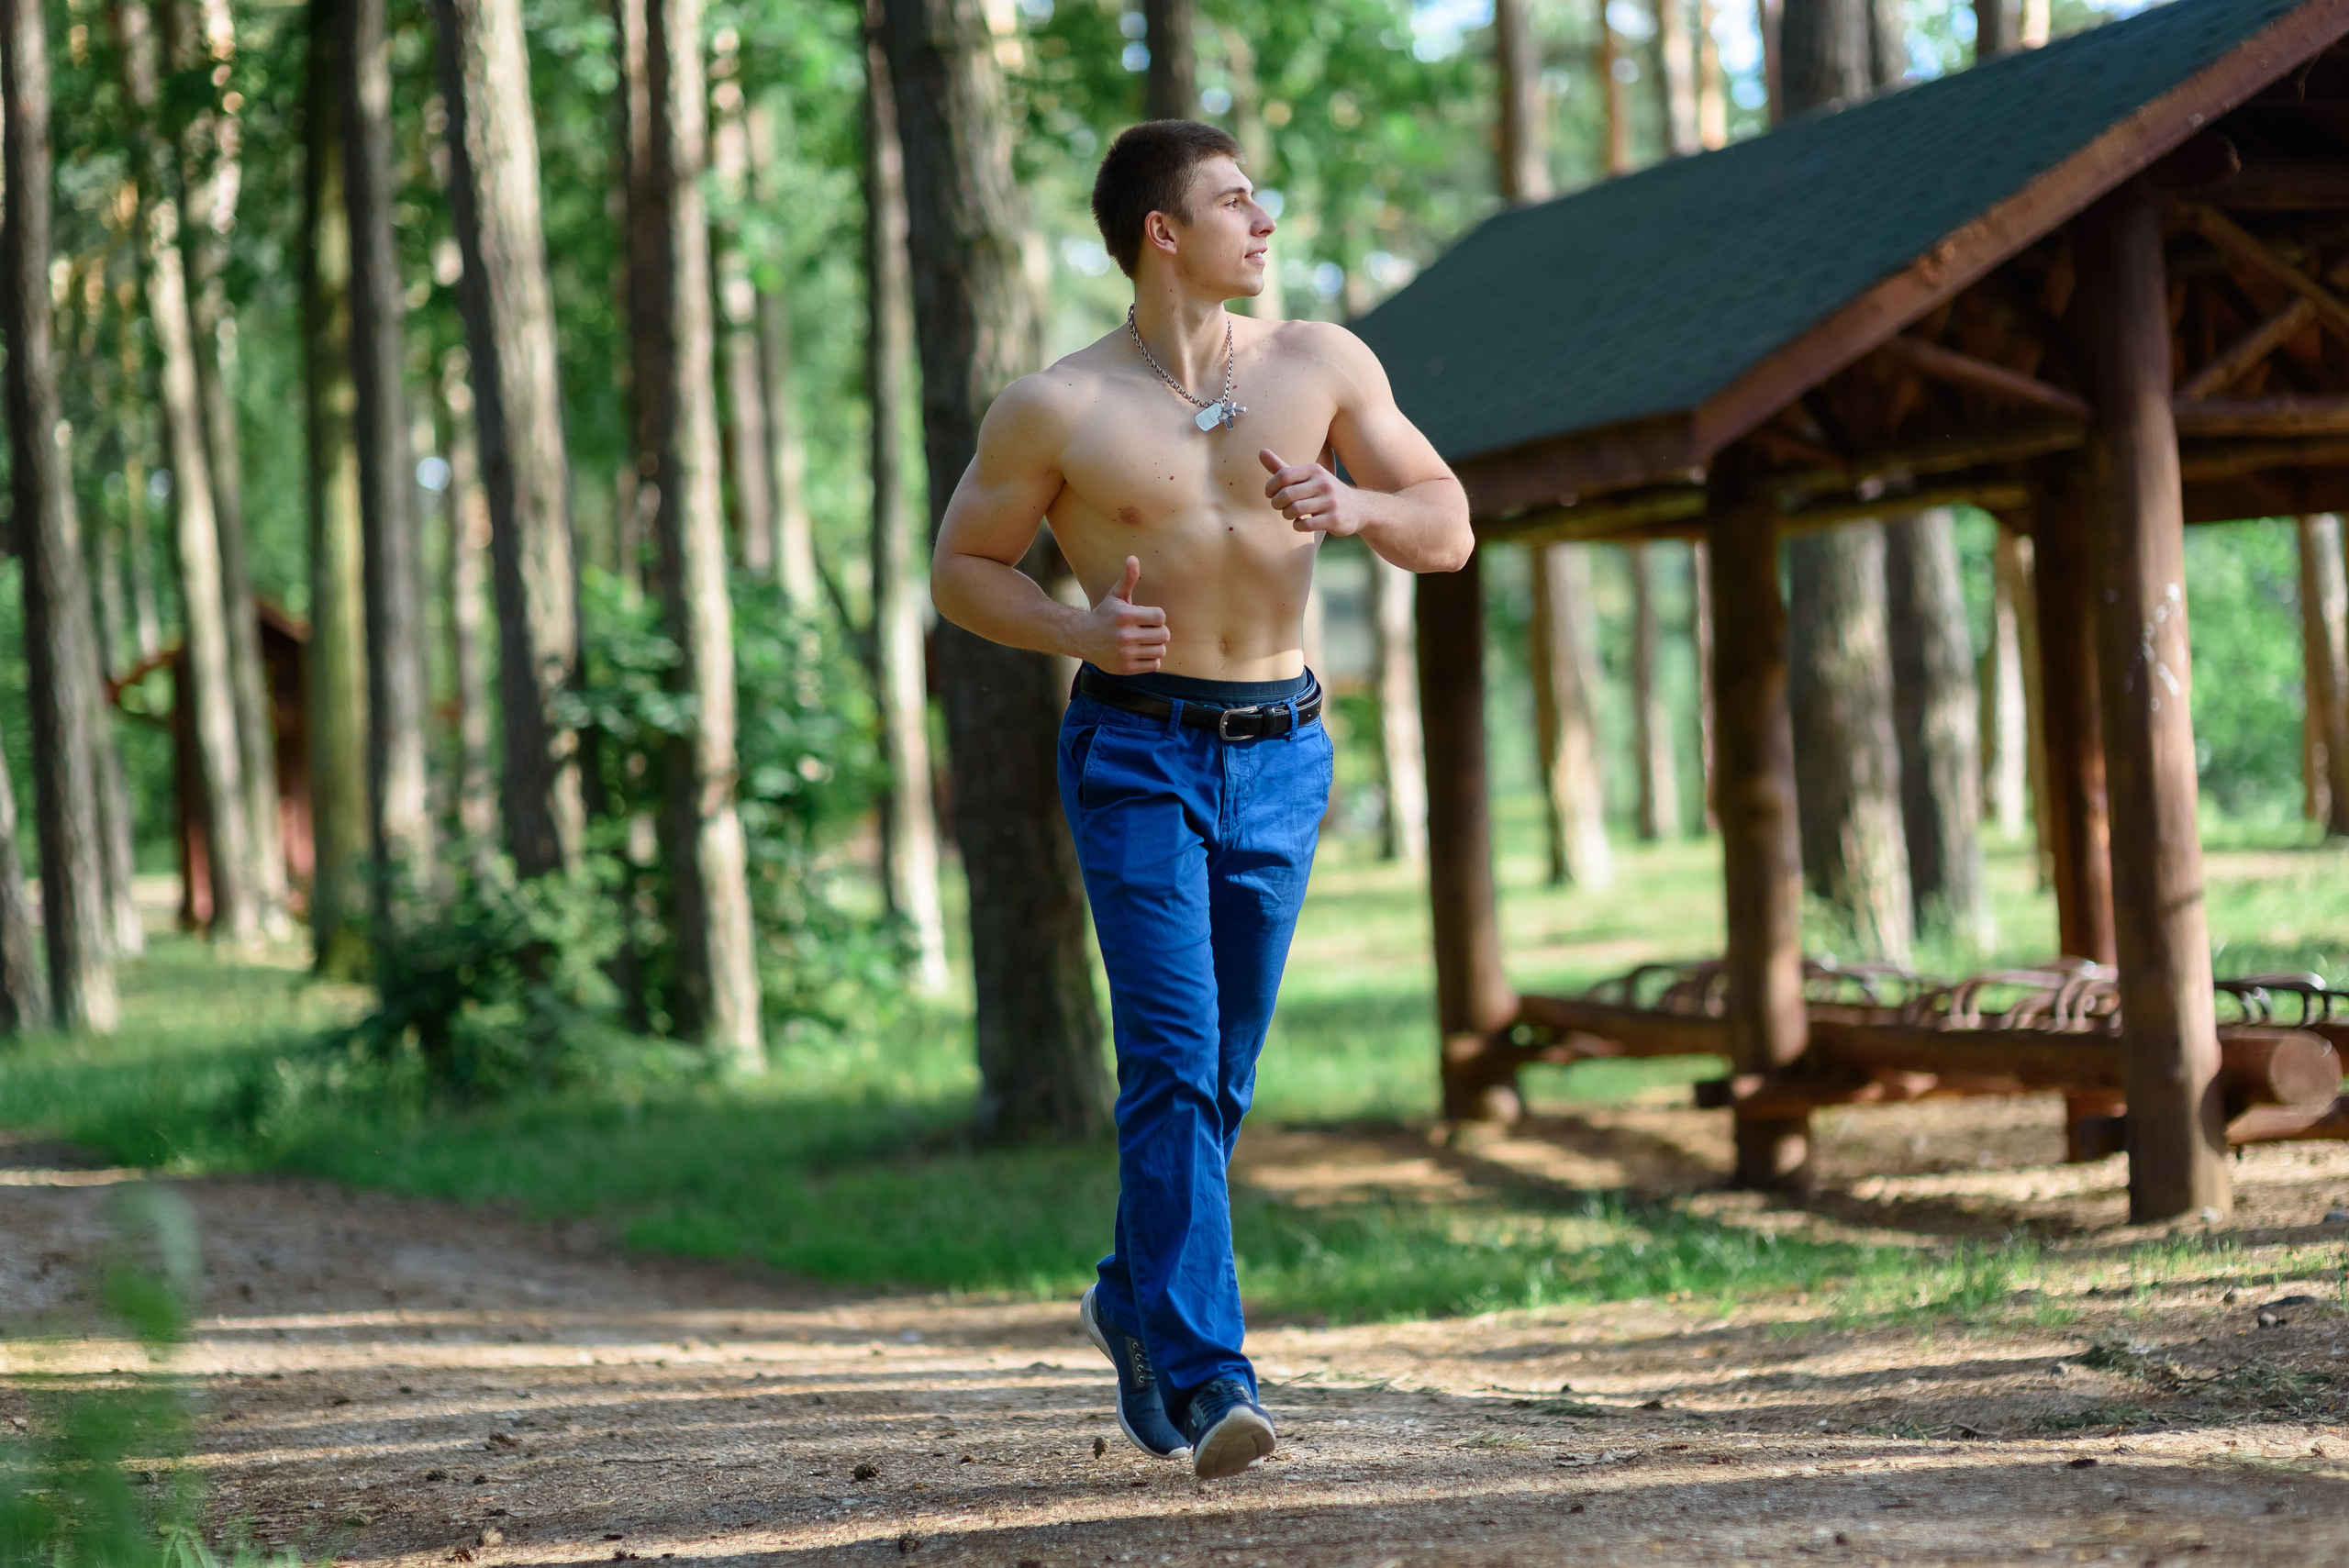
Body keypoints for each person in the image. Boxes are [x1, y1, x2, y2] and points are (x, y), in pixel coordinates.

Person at [930, 119, 1471, 1480]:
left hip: (1283, 749)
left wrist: (1351, 507)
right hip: (1137, 749)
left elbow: (1448, 524)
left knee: (1219, 1074)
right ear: (1164, 233)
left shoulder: (1319, 364)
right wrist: (1080, 636)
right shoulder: (1057, 406)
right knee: (1171, 1059)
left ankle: (1129, 1290)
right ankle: (1211, 1372)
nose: (1265, 220)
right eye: (1237, 202)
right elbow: (962, 570)